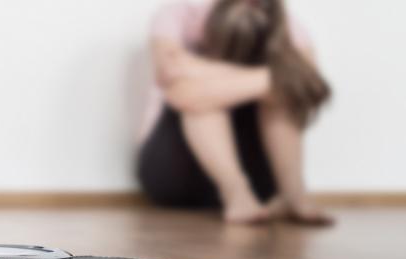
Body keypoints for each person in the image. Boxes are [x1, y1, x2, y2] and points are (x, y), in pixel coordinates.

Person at [138, 0, 333, 224]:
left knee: (281, 97)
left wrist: (199, 70)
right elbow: (172, 73)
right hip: (174, 172)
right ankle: (236, 193)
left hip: (259, 181)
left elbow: (309, 85)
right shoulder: (179, 12)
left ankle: (293, 194)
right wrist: (273, 79)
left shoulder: (286, 22)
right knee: (199, 95)